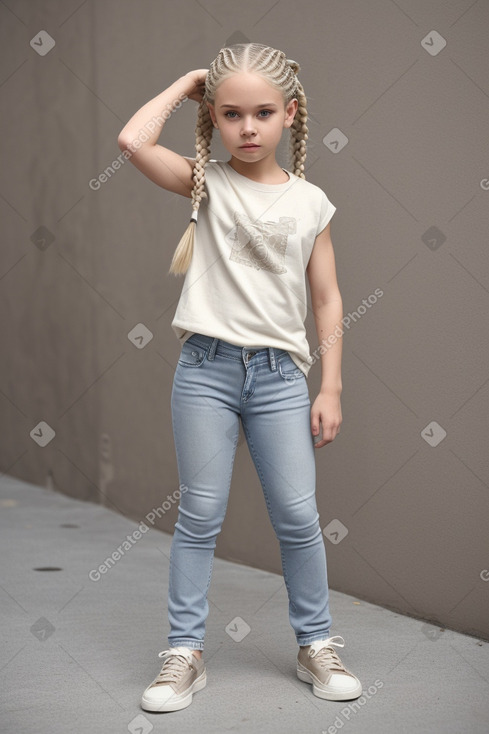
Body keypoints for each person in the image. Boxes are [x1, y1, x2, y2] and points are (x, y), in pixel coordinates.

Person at [117, 42, 362, 714]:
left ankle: (315, 642)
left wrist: (331, 385)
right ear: (214, 120)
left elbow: (328, 300)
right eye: (230, 113)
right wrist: (185, 82)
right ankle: (183, 653)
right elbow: (131, 140)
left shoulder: (310, 202)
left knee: (297, 516)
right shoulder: (205, 182)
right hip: (205, 372)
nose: (247, 127)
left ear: (288, 114)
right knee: (198, 515)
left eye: (260, 113)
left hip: (280, 379)